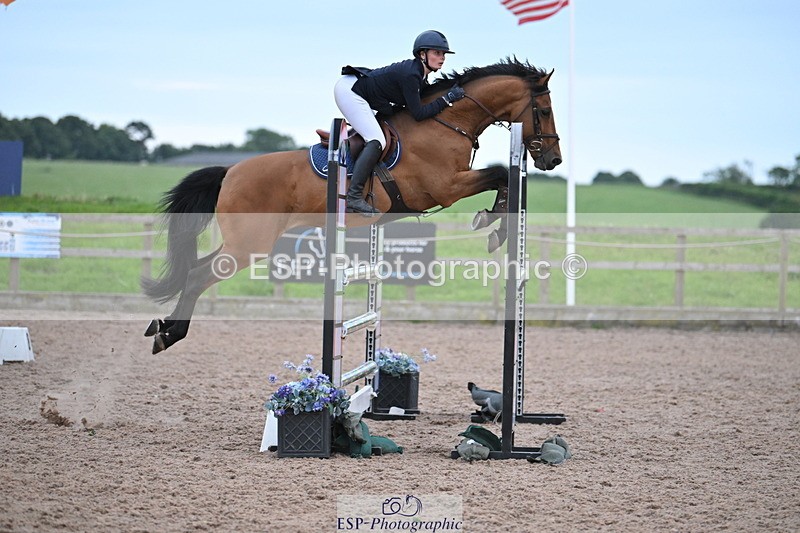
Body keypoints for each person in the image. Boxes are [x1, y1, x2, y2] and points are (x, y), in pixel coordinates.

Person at [334, 30, 467, 216]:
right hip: (351, 91)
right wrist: (446, 99)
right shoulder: (412, 75)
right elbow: (419, 113)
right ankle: (354, 197)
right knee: (377, 140)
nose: (442, 58)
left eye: (443, 54)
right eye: (437, 53)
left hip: (363, 92)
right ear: (422, 54)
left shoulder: (420, 74)